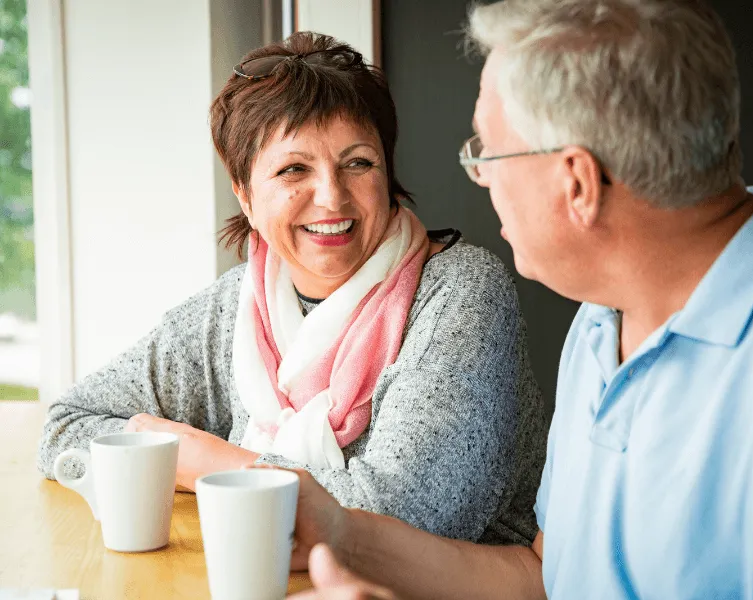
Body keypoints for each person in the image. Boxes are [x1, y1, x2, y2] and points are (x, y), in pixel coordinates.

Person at [280, 1, 753, 598]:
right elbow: (544, 577)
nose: (482, 176)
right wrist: (341, 534)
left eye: (489, 153)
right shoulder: (603, 316)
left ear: (576, 183)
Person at [37, 31, 549, 546]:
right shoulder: (235, 308)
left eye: (358, 163)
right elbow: (66, 429)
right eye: (293, 169)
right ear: (245, 195)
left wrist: (209, 463)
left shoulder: (461, 292)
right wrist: (189, 459)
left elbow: (405, 520)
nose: (331, 196)